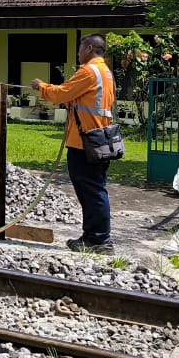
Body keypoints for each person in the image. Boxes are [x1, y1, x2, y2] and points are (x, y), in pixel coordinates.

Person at [33, 33, 117, 254]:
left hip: (85, 142)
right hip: (98, 138)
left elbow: (62, 94)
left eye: (80, 48)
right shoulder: (105, 72)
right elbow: (80, 98)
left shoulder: (89, 71)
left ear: (89, 48)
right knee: (94, 190)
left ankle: (99, 240)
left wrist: (41, 87)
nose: (78, 53)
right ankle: (92, 237)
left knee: (92, 191)